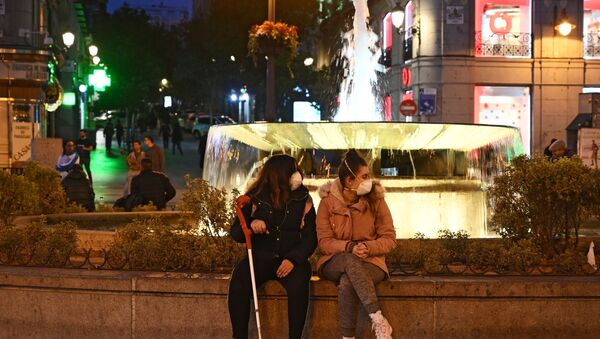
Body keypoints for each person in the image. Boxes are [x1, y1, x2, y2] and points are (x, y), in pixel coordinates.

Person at [228, 154, 317, 339]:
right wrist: (251, 224)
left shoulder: (304, 200)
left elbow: (310, 238)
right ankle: (239, 336)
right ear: (280, 175)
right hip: (260, 258)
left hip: (290, 260)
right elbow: (236, 233)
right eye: (293, 170)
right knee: (239, 282)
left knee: (299, 285)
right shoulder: (254, 199)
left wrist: (293, 259)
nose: (298, 174)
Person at [316, 149, 396, 339]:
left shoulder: (376, 200)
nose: (369, 181)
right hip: (334, 260)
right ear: (349, 181)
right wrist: (349, 247)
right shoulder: (327, 203)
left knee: (347, 283)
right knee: (349, 261)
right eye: (364, 176)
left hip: (372, 261)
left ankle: (347, 337)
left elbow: (389, 238)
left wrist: (369, 248)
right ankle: (378, 319)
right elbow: (324, 243)